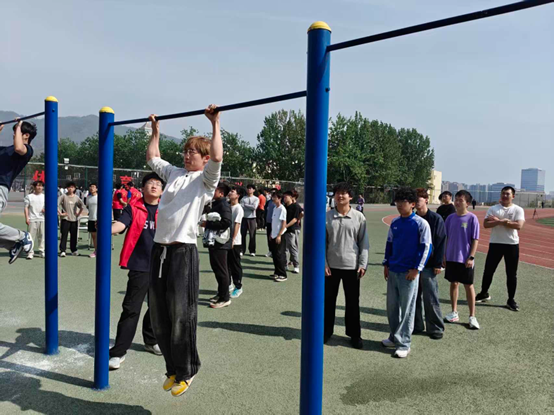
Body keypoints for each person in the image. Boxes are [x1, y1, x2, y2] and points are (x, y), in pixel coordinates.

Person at [146, 105, 222, 397]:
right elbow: (152, 157)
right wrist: (155, 131)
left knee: (182, 314)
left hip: (183, 252)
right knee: (158, 314)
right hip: (160, 250)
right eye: (186, 150)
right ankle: (173, 369)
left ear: (203, 158)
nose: (188, 155)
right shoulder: (174, 173)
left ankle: (188, 369)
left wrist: (215, 123)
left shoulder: (205, 180)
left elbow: (217, 157)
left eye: (193, 152)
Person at [108, 173, 164, 370]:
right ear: (143, 188)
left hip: (163, 265)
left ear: (162, 190)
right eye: (150, 183)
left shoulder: (166, 208)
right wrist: (108, 228)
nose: (154, 186)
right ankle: (118, 352)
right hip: (140, 265)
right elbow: (121, 225)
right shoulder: (133, 207)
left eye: (158, 184)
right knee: (131, 309)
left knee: (158, 307)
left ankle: (151, 340)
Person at [382, 187, 432, 358]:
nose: (399, 205)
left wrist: (417, 269)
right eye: (397, 202)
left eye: (403, 202)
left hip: (409, 273)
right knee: (392, 307)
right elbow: (389, 244)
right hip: (393, 270)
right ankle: (393, 336)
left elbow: (426, 247)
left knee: (407, 309)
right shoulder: (395, 223)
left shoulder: (421, 224)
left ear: (412, 204)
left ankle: (404, 343)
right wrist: (386, 264)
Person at [324, 182, 369, 349]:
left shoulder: (359, 217)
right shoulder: (327, 217)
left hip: (352, 266)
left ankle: (354, 335)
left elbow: (364, 243)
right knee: (328, 302)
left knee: (352, 303)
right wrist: (324, 263)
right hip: (331, 267)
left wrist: (363, 264)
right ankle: (326, 332)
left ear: (350, 197)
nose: (340, 196)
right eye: (337, 193)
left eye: (344, 193)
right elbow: (322, 243)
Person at [475, 186, 525, 311]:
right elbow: (486, 224)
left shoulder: (518, 209)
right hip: (495, 243)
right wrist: (502, 222)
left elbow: (519, 225)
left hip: (512, 244)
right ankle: (484, 293)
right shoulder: (493, 209)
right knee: (488, 270)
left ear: (513, 196)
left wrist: (499, 221)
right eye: (503, 193)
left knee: (511, 274)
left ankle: (511, 300)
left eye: (508, 194)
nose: (505, 196)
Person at [443, 190, 480, 329]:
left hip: (465, 259)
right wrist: (444, 255)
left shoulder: (472, 218)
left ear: (468, 203)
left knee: (468, 285)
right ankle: (454, 312)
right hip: (451, 257)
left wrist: (471, 256)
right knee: (453, 283)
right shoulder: (450, 218)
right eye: (456, 199)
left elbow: (475, 239)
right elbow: (446, 238)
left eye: (461, 200)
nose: (457, 202)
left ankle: (472, 316)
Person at [0, 121, 36, 263]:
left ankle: (22, 236)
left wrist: (19, 125)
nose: (14, 134)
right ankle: (13, 244)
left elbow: (19, 147)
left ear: (26, 135)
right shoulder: (5, 150)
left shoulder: (27, 150)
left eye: (16, 132)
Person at [414, 188, 446, 339]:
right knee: (414, 297)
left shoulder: (435, 219)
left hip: (429, 264)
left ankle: (435, 328)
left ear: (426, 200)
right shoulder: (412, 218)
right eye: (414, 200)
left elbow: (440, 242)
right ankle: (416, 325)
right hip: (414, 265)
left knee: (430, 297)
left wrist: (438, 264)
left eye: (418, 199)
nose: (416, 202)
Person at [203, 182, 232, 309]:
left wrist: (207, 224)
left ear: (221, 193)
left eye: (214, 190)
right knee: (217, 268)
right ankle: (221, 294)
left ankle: (225, 298)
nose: (212, 192)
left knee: (221, 270)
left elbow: (226, 222)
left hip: (221, 242)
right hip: (214, 241)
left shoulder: (224, 205)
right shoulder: (216, 203)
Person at [58, 182, 84, 257]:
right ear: (67, 188)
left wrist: (78, 214)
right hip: (65, 219)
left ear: (74, 188)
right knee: (64, 235)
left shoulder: (76, 197)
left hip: (74, 219)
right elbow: (56, 204)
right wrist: (61, 213)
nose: (70, 189)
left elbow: (82, 206)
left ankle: (73, 250)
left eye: (72, 187)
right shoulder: (63, 196)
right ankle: (63, 250)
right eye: (69, 187)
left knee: (74, 235)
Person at [228, 187, 244, 298]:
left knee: (235, 264)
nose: (230, 193)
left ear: (237, 196)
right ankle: (229, 284)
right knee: (226, 264)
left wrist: (233, 240)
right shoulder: (228, 206)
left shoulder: (239, 208)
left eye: (232, 192)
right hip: (226, 240)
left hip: (235, 241)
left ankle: (238, 287)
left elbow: (237, 225)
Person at [23, 180, 45, 259]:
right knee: (31, 237)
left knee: (42, 236)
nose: (40, 187)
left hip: (42, 219)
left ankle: (42, 251)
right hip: (32, 219)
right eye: (38, 185)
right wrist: (27, 218)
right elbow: (26, 208)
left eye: (41, 186)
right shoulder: (29, 196)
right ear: (34, 187)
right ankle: (30, 252)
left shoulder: (45, 196)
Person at [269, 191, 288, 282]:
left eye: (275, 197)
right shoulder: (275, 208)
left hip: (279, 235)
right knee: (274, 255)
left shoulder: (282, 209)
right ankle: (277, 272)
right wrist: (271, 233)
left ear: (279, 198)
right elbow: (274, 222)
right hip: (273, 235)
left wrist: (279, 235)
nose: (273, 199)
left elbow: (283, 223)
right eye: (272, 197)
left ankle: (283, 274)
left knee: (279, 255)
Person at [283, 190, 302, 274]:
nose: (284, 198)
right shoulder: (284, 206)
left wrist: (286, 226)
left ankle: (296, 266)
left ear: (291, 197)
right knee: (284, 249)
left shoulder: (295, 206)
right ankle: (285, 265)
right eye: (284, 197)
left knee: (292, 247)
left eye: (286, 197)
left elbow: (295, 219)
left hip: (291, 230)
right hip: (283, 230)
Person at [240, 184, 259, 256]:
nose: (249, 190)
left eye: (250, 188)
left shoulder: (256, 199)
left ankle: (252, 251)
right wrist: (249, 206)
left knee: (252, 235)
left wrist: (245, 205)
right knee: (243, 234)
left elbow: (254, 207)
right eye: (248, 188)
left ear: (254, 190)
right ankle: (242, 250)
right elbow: (241, 207)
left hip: (252, 218)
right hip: (244, 218)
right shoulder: (243, 198)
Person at [86, 183, 98, 258]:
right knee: (93, 236)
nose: (91, 188)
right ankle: (96, 251)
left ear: (96, 189)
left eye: (93, 187)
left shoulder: (99, 197)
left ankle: (101, 251)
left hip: (98, 219)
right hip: (91, 218)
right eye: (90, 187)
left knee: (100, 236)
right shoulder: (88, 197)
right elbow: (87, 206)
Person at [264, 189, 276, 257]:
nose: (272, 195)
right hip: (269, 222)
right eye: (272, 193)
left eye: (274, 193)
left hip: (275, 223)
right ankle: (270, 251)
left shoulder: (279, 203)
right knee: (269, 238)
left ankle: (275, 251)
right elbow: (266, 211)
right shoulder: (268, 202)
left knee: (274, 238)